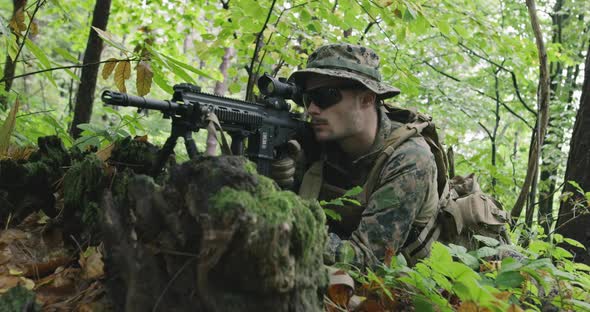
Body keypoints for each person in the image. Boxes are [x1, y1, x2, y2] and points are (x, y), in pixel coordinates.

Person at [281, 43, 440, 269]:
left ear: (367, 99)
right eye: (308, 99)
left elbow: (367, 258)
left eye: (326, 96)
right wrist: (280, 177)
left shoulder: (410, 159)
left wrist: (284, 226)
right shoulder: (316, 144)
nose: (312, 110)